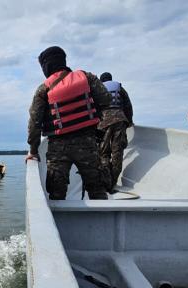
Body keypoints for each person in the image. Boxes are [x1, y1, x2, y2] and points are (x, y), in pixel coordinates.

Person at [25, 46, 112, 200]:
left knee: (56, 193)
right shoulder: (86, 77)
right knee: (97, 190)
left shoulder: (43, 89)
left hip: (58, 148)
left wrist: (33, 150)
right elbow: (106, 99)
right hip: (88, 142)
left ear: (46, 66)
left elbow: (35, 123)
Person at [98, 72, 134, 193]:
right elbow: (128, 106)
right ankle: (112, 183)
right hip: (120, 120)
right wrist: (129, 121)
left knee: (103, 152)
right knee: (117, 152)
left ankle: (105, 182)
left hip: (103, 122)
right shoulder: (119, 88)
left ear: (101, 81)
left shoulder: (98, 89)